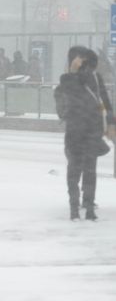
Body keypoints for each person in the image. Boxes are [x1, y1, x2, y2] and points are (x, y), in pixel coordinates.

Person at [54, 47, 116, 221]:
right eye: (79, 58)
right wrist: (73, 71)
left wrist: (111, 122)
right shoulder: (67, 79)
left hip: (92, 130)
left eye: (85, 59)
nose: (83, 63)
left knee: (90, 170)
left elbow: (105, 101)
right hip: (75, 131)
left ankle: (89, 207)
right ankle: (74, 207)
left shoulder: (96, 78)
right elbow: (66, 92)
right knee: (74, 169)